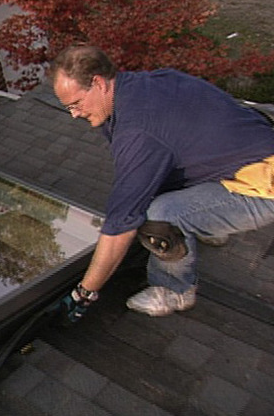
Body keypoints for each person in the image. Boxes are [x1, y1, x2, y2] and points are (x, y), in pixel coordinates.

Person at [50, 45, 274, 319]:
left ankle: (174, 291)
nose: (74, 114)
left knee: (159, 216)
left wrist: (83, 294)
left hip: (263, 183)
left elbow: (121, 224)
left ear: (98, 82)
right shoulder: (147, 83)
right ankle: (210, 223)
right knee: (159, 182)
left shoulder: (138, 130)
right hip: (252, 144)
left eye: (75, 104)